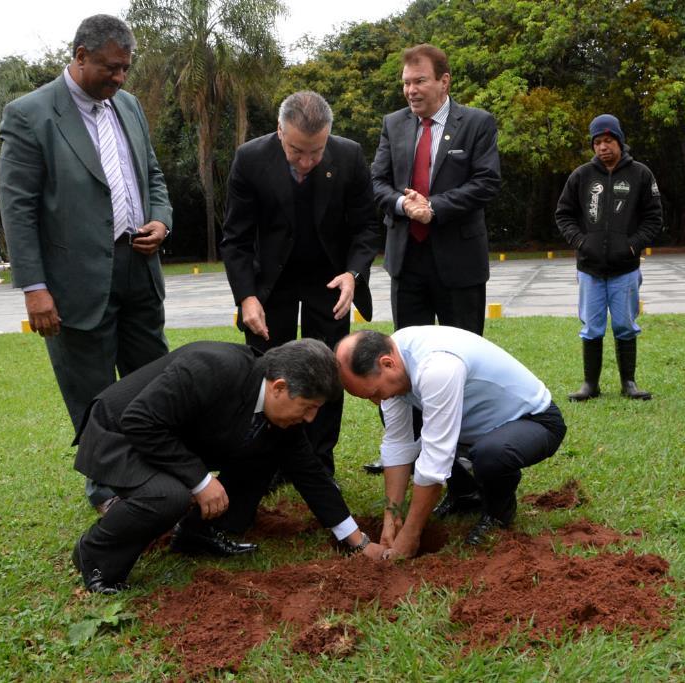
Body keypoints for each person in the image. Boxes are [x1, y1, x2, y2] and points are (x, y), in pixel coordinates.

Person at [0, 15, 173, 513]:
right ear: (79, 55)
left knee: (153, 378)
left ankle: (157, 472)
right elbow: (18, 207)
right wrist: (34, 287)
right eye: (111, 68)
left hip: (139, 269)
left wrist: (160, 219)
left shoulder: (130, 106)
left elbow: (152, 175)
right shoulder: (30, 114)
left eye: (126, 69)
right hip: (74, 281)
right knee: (92, 389)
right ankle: (105, 486)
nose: (120, 78)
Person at [70, 338, 385, 594]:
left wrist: (356, 540)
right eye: (309, 407)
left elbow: (310, 473)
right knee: (170, 495)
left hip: (171, 436)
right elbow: (139, 420)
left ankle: (197, 533)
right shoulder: (213, 367)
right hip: (118, 434)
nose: (310, 419)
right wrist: (200, 481)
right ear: (278, 387)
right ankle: (94, 554)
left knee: (267, 450)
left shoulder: (277, 412)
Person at [221, 91, 380, 476]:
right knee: (266, 371)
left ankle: (319, 464)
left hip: (330, 280)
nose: (307, 162)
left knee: (328, 369)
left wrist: (353, 275)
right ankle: (267, 464)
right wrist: (246, 297)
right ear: (279, 131)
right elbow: (236, 238)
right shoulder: (250, 158)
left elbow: (367, 226)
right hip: (270, 283)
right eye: (297, 151)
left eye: (316, 151)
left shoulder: (349, 155)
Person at [363, 44, 500, 475]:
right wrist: (405, 208)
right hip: (408, 262)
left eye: (419, 80)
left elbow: (486, 182)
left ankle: (463, 457)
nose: (411, 90)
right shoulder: (394, 125)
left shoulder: (476, 123)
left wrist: (435, 206)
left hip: (458, 264)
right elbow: (378, 182)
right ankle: (410, 450)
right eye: (405, 82)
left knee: (461, 362)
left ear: (444, 81)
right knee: (406, 365)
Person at [336, 328, 566, 560]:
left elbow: (435, 459)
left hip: (532, 421)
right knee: (408, 422)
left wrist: (410, 534)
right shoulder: (393, 356)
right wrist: (391, 517)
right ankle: (465, 495)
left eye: (375, 392)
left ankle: (498, 514)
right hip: (472, 428)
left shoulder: (438, 367)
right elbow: (398, 444)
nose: (377, 400)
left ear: (387, 364)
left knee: (490, 454)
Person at [555, 114, 663, 401]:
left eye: (608, 141)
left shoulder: (641, 174)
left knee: (625, 325)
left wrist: (632, 246)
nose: (603, 147)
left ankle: (629, 382)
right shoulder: (580, 176)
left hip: (625, 269)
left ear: (620, 141)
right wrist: (580, 241)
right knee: (591, 326)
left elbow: (654, 219)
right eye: (597, 142)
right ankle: (591, 384)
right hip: (589, 269)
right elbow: (563, 214)